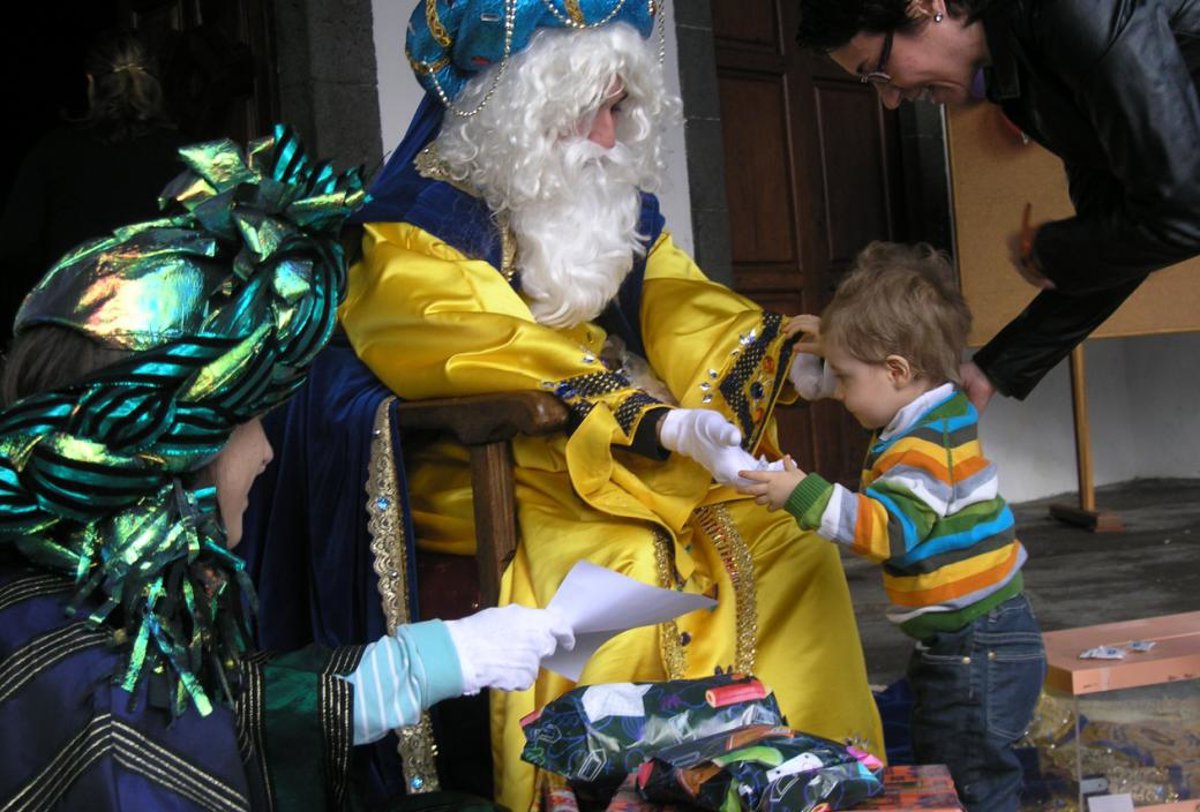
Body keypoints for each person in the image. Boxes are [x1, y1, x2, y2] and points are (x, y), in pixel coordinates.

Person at [316, 2, 884, 808]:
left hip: (626, 454)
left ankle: (799, 780)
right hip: (497, 463)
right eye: (595, 109)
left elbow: (679, 296)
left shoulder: (600, 194)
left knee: (790, 543)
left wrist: (794, 361)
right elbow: (465, 340)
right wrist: (653, 418)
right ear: (522, 105)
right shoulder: (419, 219)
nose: (612, 136)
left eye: (620, 107)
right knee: (627, 564)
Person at [0, 124, 572, 811]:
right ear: (175, 450)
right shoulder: (91, 697)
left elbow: (207, 714)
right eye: (253, 422)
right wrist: (407, 672)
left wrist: (408, 669)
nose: (268, 452)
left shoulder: (80, 592)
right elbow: (155, 736)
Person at [737, 242, 1046, 812]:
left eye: (844, 377)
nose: (838, 391)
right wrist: (832, 344)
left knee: (970, 783)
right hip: (972, 639)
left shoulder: (922, 449)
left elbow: (887, 530)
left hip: (977, 648)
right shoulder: (937, 405)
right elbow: (868, 382)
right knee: (948, 762)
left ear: (899, 370)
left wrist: (801, 493)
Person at [793, 0, 1200, 410]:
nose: (890, 99)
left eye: (878, 71)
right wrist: (992, 369)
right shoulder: (1022, 85)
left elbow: (1185, 209)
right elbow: (1121, 238)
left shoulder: (1074, 10)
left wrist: (1054, 252)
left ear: (927, 6)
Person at [0, 29, 190, 332]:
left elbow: (15, 245)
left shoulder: (53, 152)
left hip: (71, 328)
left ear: (90, 84)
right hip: (162, 329)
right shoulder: (187, 157)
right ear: (154, 85)